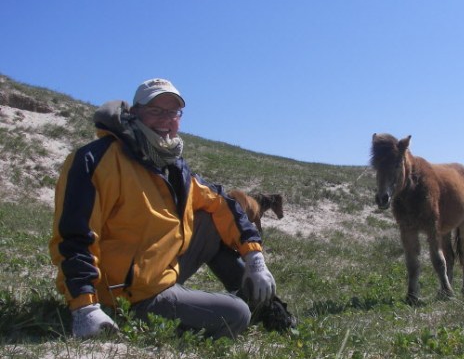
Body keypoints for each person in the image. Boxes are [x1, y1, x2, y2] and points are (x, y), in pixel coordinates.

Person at [49, 78, 293, 339]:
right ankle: (237, 308)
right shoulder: (96, 160)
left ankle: (263, 301)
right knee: (236, 314)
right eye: (156, 110)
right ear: (135, 113)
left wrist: (255, 260)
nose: (166, 119)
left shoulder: (173, 166)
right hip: (123, 296)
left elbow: (223, 203)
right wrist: (84, 307)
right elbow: (74, 238)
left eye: (173, 112)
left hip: (157, 272)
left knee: (212, 220)